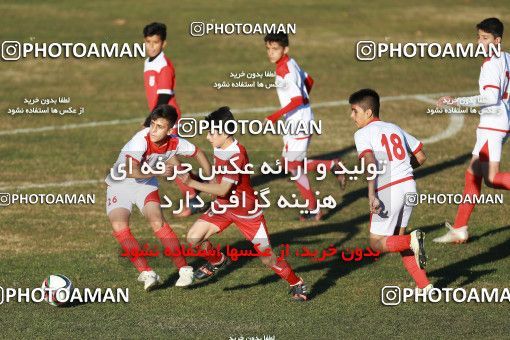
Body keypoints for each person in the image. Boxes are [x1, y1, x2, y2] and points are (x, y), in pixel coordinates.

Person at [178, 106, 309, 301]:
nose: (208, 137)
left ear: (224, 132)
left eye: (212, 133)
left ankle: (297, 283)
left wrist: (192, 183)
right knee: (193, 238)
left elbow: (224, 189)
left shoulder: (237, 155)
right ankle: (217, 260)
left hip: (247, 213)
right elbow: (219, 181)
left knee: (267, 257)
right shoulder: (219, 146)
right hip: (223, 208)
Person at [105, 104, 211, 290]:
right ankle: (146, 273)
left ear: (170, 130)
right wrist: (158, 170)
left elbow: (198, 152)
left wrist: (210, 178)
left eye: (159, 127)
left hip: (144, 185)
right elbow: (131, 171)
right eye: (152, 124)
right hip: (120, 183)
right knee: (119, 226)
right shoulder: (141, 140)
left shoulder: (175, 142)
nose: (153, 130)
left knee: (157, 222)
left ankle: (185, 270)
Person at [435, 18, 510, 243]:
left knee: (492, 177)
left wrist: (456, 101)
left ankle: (459, 228)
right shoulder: (506, 58)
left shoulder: (491, 65)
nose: (480, 42)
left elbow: (489, 97)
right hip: (498, 123)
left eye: (485, 38)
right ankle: (459, 228)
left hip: (492, 125)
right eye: (479, 37)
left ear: (497, 40)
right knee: (474, 173)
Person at [350, 89, 433, 292]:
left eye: (354, 111)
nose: (352, 116)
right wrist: (401, 170)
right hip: (409, 186)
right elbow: (421, 156)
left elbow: (370, 162)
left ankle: (412, 239)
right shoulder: (394, 128)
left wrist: (371, 193)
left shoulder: (362, 133)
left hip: (389, 190)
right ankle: (425, 286)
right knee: (398, 239)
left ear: (368, 112)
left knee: (377, 243)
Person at [264, 33, 346, 221]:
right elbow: (309, 81)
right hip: (297, 119)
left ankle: (330, 171)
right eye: (268, 49)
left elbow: (297, 99)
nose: (271, 53)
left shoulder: (284, 70)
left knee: (293, 166)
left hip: (298, 122)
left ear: (285, 49)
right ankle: (316, 203)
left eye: (275, 49)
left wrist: (274, 117)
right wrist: (303, 102)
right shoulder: (291, 63)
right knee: (289, 165)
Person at [142, 22, 203, 217]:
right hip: (160, 117)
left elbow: (163, 97)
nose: (151, 46)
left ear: (164, 43)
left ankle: (193, 198)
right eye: (148, 42)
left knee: (168, 158)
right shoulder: (149, 61)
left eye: (156, 42)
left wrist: (150, 120)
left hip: (168, 117)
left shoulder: (164, 66)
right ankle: (198, 184)